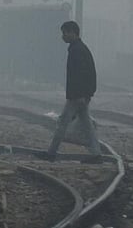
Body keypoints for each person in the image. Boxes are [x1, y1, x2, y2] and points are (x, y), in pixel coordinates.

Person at [36, 21, 103, 164]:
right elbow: (89, 73)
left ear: (73, 32)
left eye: (65, 33)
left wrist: (81, 95)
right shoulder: (78, 49)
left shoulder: (77, 50)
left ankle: (51, 153)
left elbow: (81, 75)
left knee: (62, 123)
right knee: (86, 124)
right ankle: (96, 153)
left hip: (76, 96)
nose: (63, 36)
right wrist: (88, 94)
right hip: (80, 95)